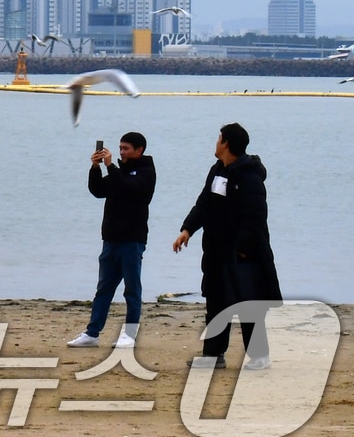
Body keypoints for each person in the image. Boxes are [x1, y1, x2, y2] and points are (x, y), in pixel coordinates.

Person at [172, 122, 281, 370]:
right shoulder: (217, 169)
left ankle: (260, 356)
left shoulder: (249, 176)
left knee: (248, 305)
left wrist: (242, 249)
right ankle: (213, 355)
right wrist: (187, 229)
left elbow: (255, 217)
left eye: (218, 138)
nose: (216, 143)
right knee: (216, 302)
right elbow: (203, 203)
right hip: (216, 251)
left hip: (244, 254)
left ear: (226, 144)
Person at [66, 132, 156, 349]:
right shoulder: (120, 171)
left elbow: (130, 188)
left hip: (132, 240)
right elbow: (98, 190)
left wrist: (110, 167)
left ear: (139, 150)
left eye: (126, 148)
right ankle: (92, 333)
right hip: (111, 240)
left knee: (132, 289)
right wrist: (96, 168)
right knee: (103, 289)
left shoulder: (146, 171)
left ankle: (130, 334)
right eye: (120, 148)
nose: (122, 152)